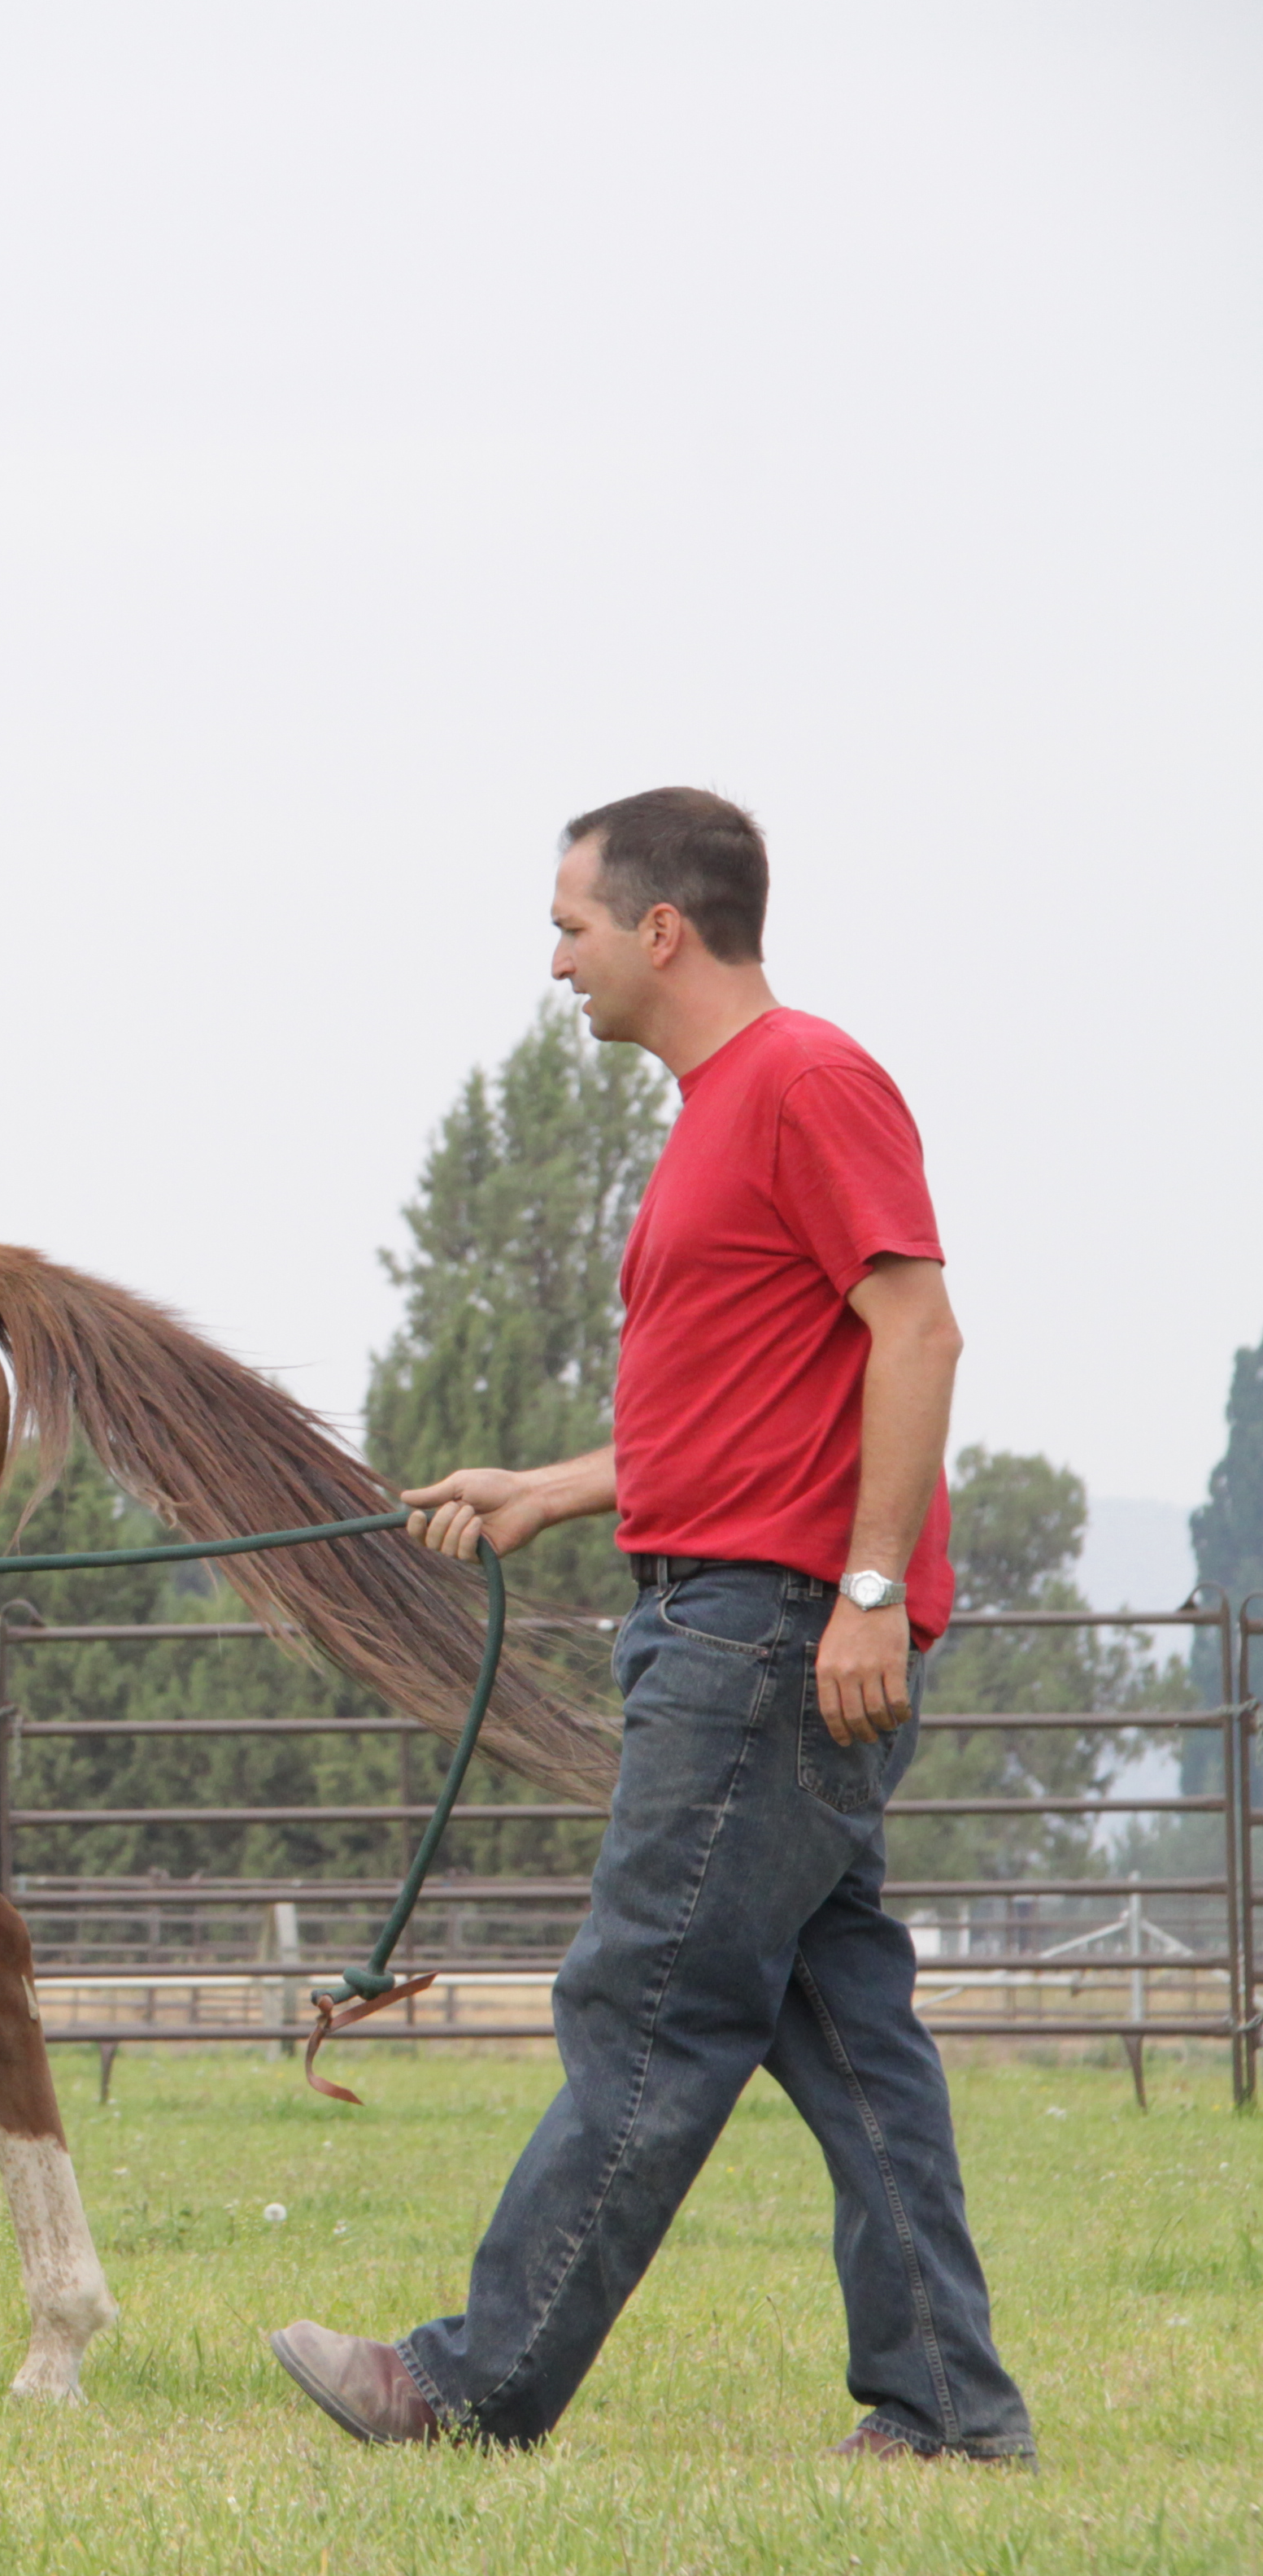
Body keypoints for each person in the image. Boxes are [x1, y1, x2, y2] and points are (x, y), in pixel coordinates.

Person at [266, 787, 1033, 2463]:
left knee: (649, 2002)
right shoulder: (716, 1113)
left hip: (768, 1634)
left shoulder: (805, 1082)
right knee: (848, 2037)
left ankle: (468, 2387)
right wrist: (549, 1490)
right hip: (743, 1618)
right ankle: (950, 2412)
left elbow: (918, 1334)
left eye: (572, 926)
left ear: (662, 928)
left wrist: (870, 1594)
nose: (558, 962)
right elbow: (749, 1408)